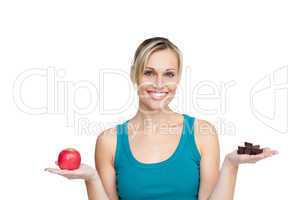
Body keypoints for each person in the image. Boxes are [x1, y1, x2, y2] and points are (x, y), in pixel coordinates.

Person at [45, 37, 278, 200]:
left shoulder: (202, 133)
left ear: (178, 78)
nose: (159, 84)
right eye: (149, 72)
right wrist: (91, 178)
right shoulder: (110, 141)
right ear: (134, 73)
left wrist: (231, 165)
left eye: (169, 74)